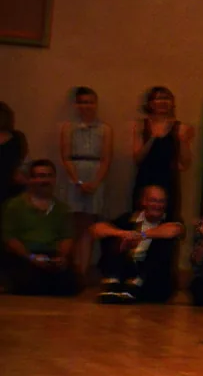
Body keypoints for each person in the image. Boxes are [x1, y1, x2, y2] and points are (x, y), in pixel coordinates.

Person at [93, 185, 184, 304]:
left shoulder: (170, 220)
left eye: (161, 201)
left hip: (154, 278)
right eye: (153, 200)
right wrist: (123, 234)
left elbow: (174, 230)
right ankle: (113, 281)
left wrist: (141, 235)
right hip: (127, 270)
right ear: (143, 202)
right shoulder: (129, 218)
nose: (157, 205)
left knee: (162, 243)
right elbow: (97, 229)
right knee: (111, 237)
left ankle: (135, 284)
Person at [1, 159, 80, 295]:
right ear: (30, 180)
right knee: (30, 282)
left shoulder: (62, 208)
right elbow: (9, 238)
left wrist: (61, 257)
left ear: (54, 179)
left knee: (69, 284)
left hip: (51, 257)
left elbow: (67, 237)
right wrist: (30, 257)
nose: (45, 181)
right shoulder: (14, 206)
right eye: (40, 176)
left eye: (49, 176)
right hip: (24, 256)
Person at [59, 87, 113, 281]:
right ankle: (68, 271)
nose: (86, 106)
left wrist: (95, 182)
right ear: (76, 105)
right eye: (82, 102)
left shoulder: (105, 129)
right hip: (74, 175)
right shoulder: (68, 128)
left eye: (90, 102)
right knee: (73, 225)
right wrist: (78, 181)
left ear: (95, 104)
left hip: (95, 175)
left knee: (89, 225)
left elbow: (106, 159)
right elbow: (65, 157)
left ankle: (83, 272)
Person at [132, 86, 194, 220]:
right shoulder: (141, 126)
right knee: (140, 221)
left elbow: (185, 164)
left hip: (168, 180)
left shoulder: (181, 127)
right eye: (158, 98)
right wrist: (152, 137)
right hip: (145, 179)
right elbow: (137, 159)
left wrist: (182, 140)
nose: (162, 102)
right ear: (150, 103)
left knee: (168, 220)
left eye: (166, 98)